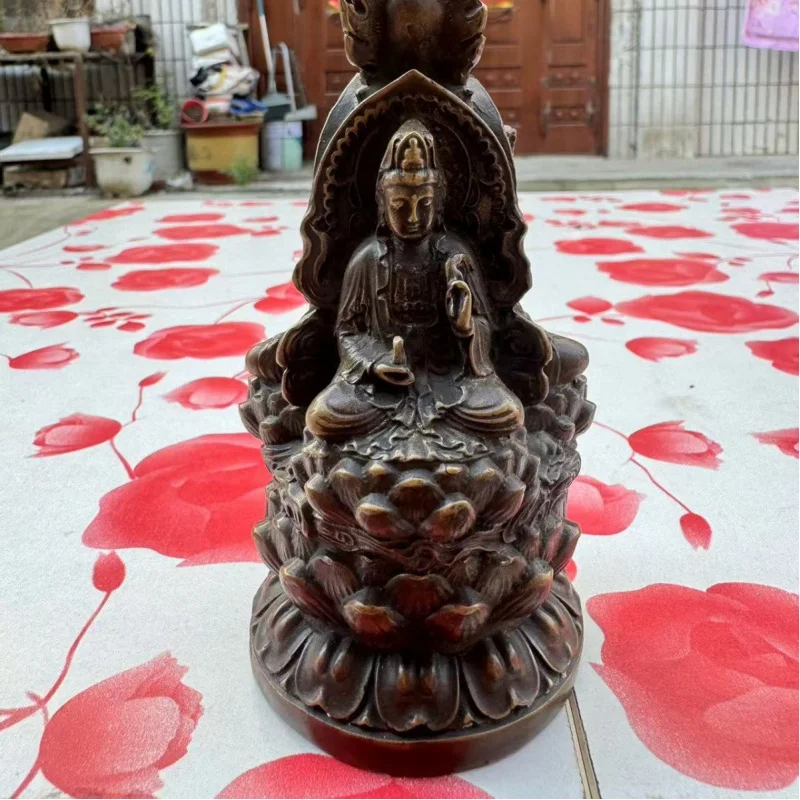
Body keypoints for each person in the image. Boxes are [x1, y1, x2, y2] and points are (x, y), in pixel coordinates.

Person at [305, 119, 523, 451]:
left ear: (439, 205)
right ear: (383, 204)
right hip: (379, 389)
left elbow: (484, 328)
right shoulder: (367, 259)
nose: (413, 218)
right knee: (323, 416)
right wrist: (375, 364)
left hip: (448, 379)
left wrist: (466, 327)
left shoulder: (455, 255)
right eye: (400, 206)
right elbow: (348, 331)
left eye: (424, 205)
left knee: (506, 413)